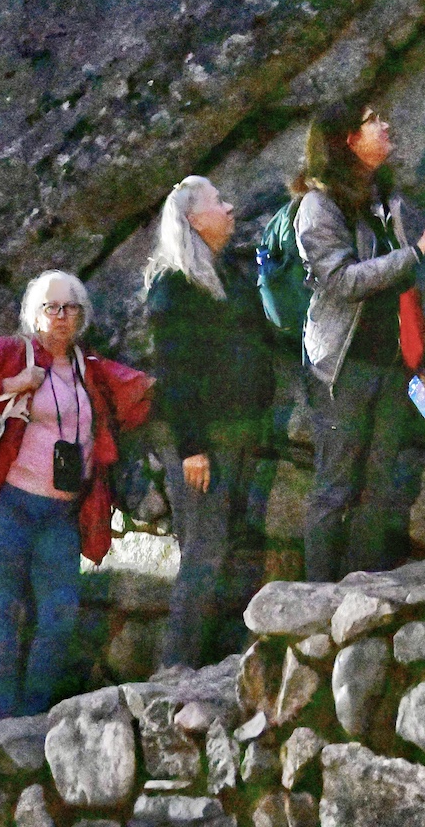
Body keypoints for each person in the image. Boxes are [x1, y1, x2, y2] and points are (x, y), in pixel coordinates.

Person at [0, 272, 152, 720]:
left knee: (60, 615)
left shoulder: (86, 366)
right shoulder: (14, 353)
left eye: (70, 307)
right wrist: (11, 384)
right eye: (51, 307)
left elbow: (133, 395)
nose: (61, 316)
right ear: (33, 314)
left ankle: (32, 718)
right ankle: (3, 724)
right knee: (4, 615)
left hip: (61, 514)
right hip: (9, 508)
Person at [294, 97, 425, 583]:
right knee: (336, 486)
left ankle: (362, 591)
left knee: (380, 483)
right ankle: (316, 599)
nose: (386, 124)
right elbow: (343, 281)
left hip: (396, 364)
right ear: (348, 141)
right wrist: (416, 253)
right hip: (343, 368)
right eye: (373, 119)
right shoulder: (318, 206)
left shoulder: (383, 199)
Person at [144, 177, 276, 669]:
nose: (230, 206)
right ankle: (174, 667)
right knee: (203, 550)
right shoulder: (174, 285)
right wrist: (191, 448)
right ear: (195, 220)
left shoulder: (227, 274)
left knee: (229, 545)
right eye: (219, 202)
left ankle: (219, 660)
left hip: (240, 431)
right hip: (202, 441)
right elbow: (175, 375)